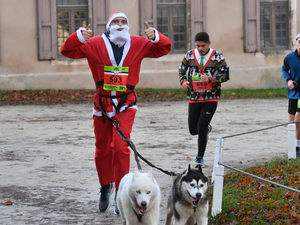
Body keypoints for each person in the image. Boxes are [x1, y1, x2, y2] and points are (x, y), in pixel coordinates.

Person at [61, 11, 171, 214]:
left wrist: (154, 35)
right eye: (116, 22)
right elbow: (67, 51)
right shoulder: (93, 43)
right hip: (102, 104)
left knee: (120, 148)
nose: (120, 25)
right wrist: (77, 37)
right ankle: (105, 186)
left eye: (123, 22)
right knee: (102, 149)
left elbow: (163, 48)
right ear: (109, 25)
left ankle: (121, 194)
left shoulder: (138, 43)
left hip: (126, 103)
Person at [178, 31, 229, 167]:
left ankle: (199, 158)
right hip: (194, 97)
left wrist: (211, 79)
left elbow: (225, 76)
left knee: (200, 127)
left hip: (211, 98)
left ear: (209, 44)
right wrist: (183, 82)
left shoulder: (218, 57)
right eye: (198, 46)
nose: (200, 49)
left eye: (203, 46)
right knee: (193, 130)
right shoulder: (190, 55)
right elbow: (181, 69)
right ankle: (206, 129)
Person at [282, 32, 300, 158]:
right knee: (291, 122)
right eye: (299, 41)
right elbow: (284, 69)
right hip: (292, 93)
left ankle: (297, 147)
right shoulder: (289, 57)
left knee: (298, 121)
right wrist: (288, 80)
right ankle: (292, 146)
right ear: (296, 43)